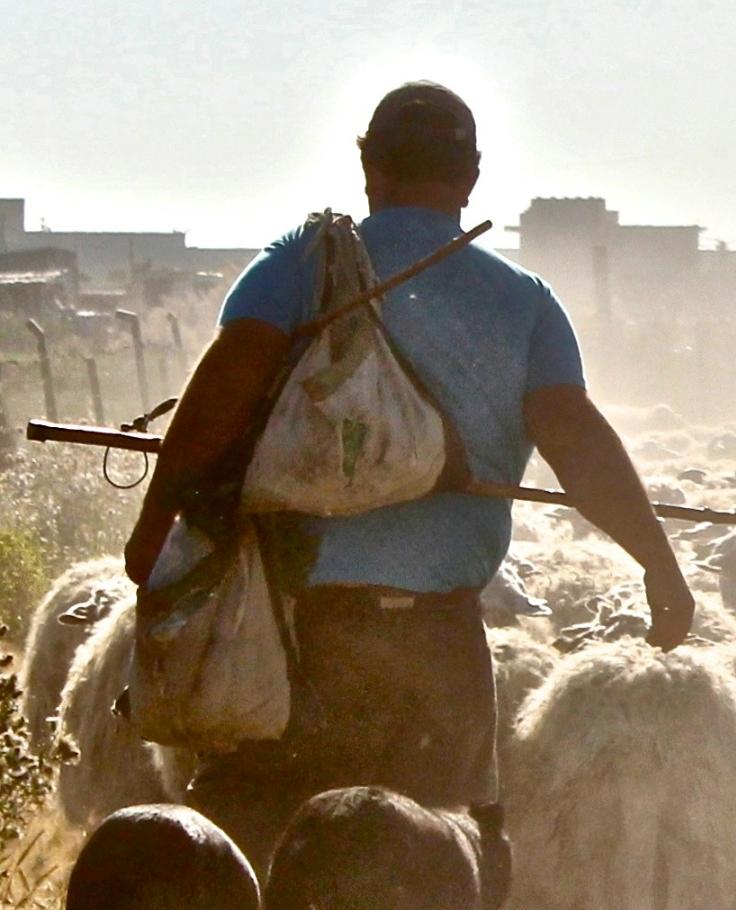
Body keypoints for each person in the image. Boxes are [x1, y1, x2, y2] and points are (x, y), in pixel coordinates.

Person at [121, 81, 694, 864]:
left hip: (298, 646)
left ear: (369, 166)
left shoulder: (303, 267)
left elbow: (228, 380)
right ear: (472, 177)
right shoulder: (524, 302)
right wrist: (658, 564)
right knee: (447, 873)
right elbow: (575, 437)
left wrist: (153, 532)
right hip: (436, 653)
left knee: (247, 865)